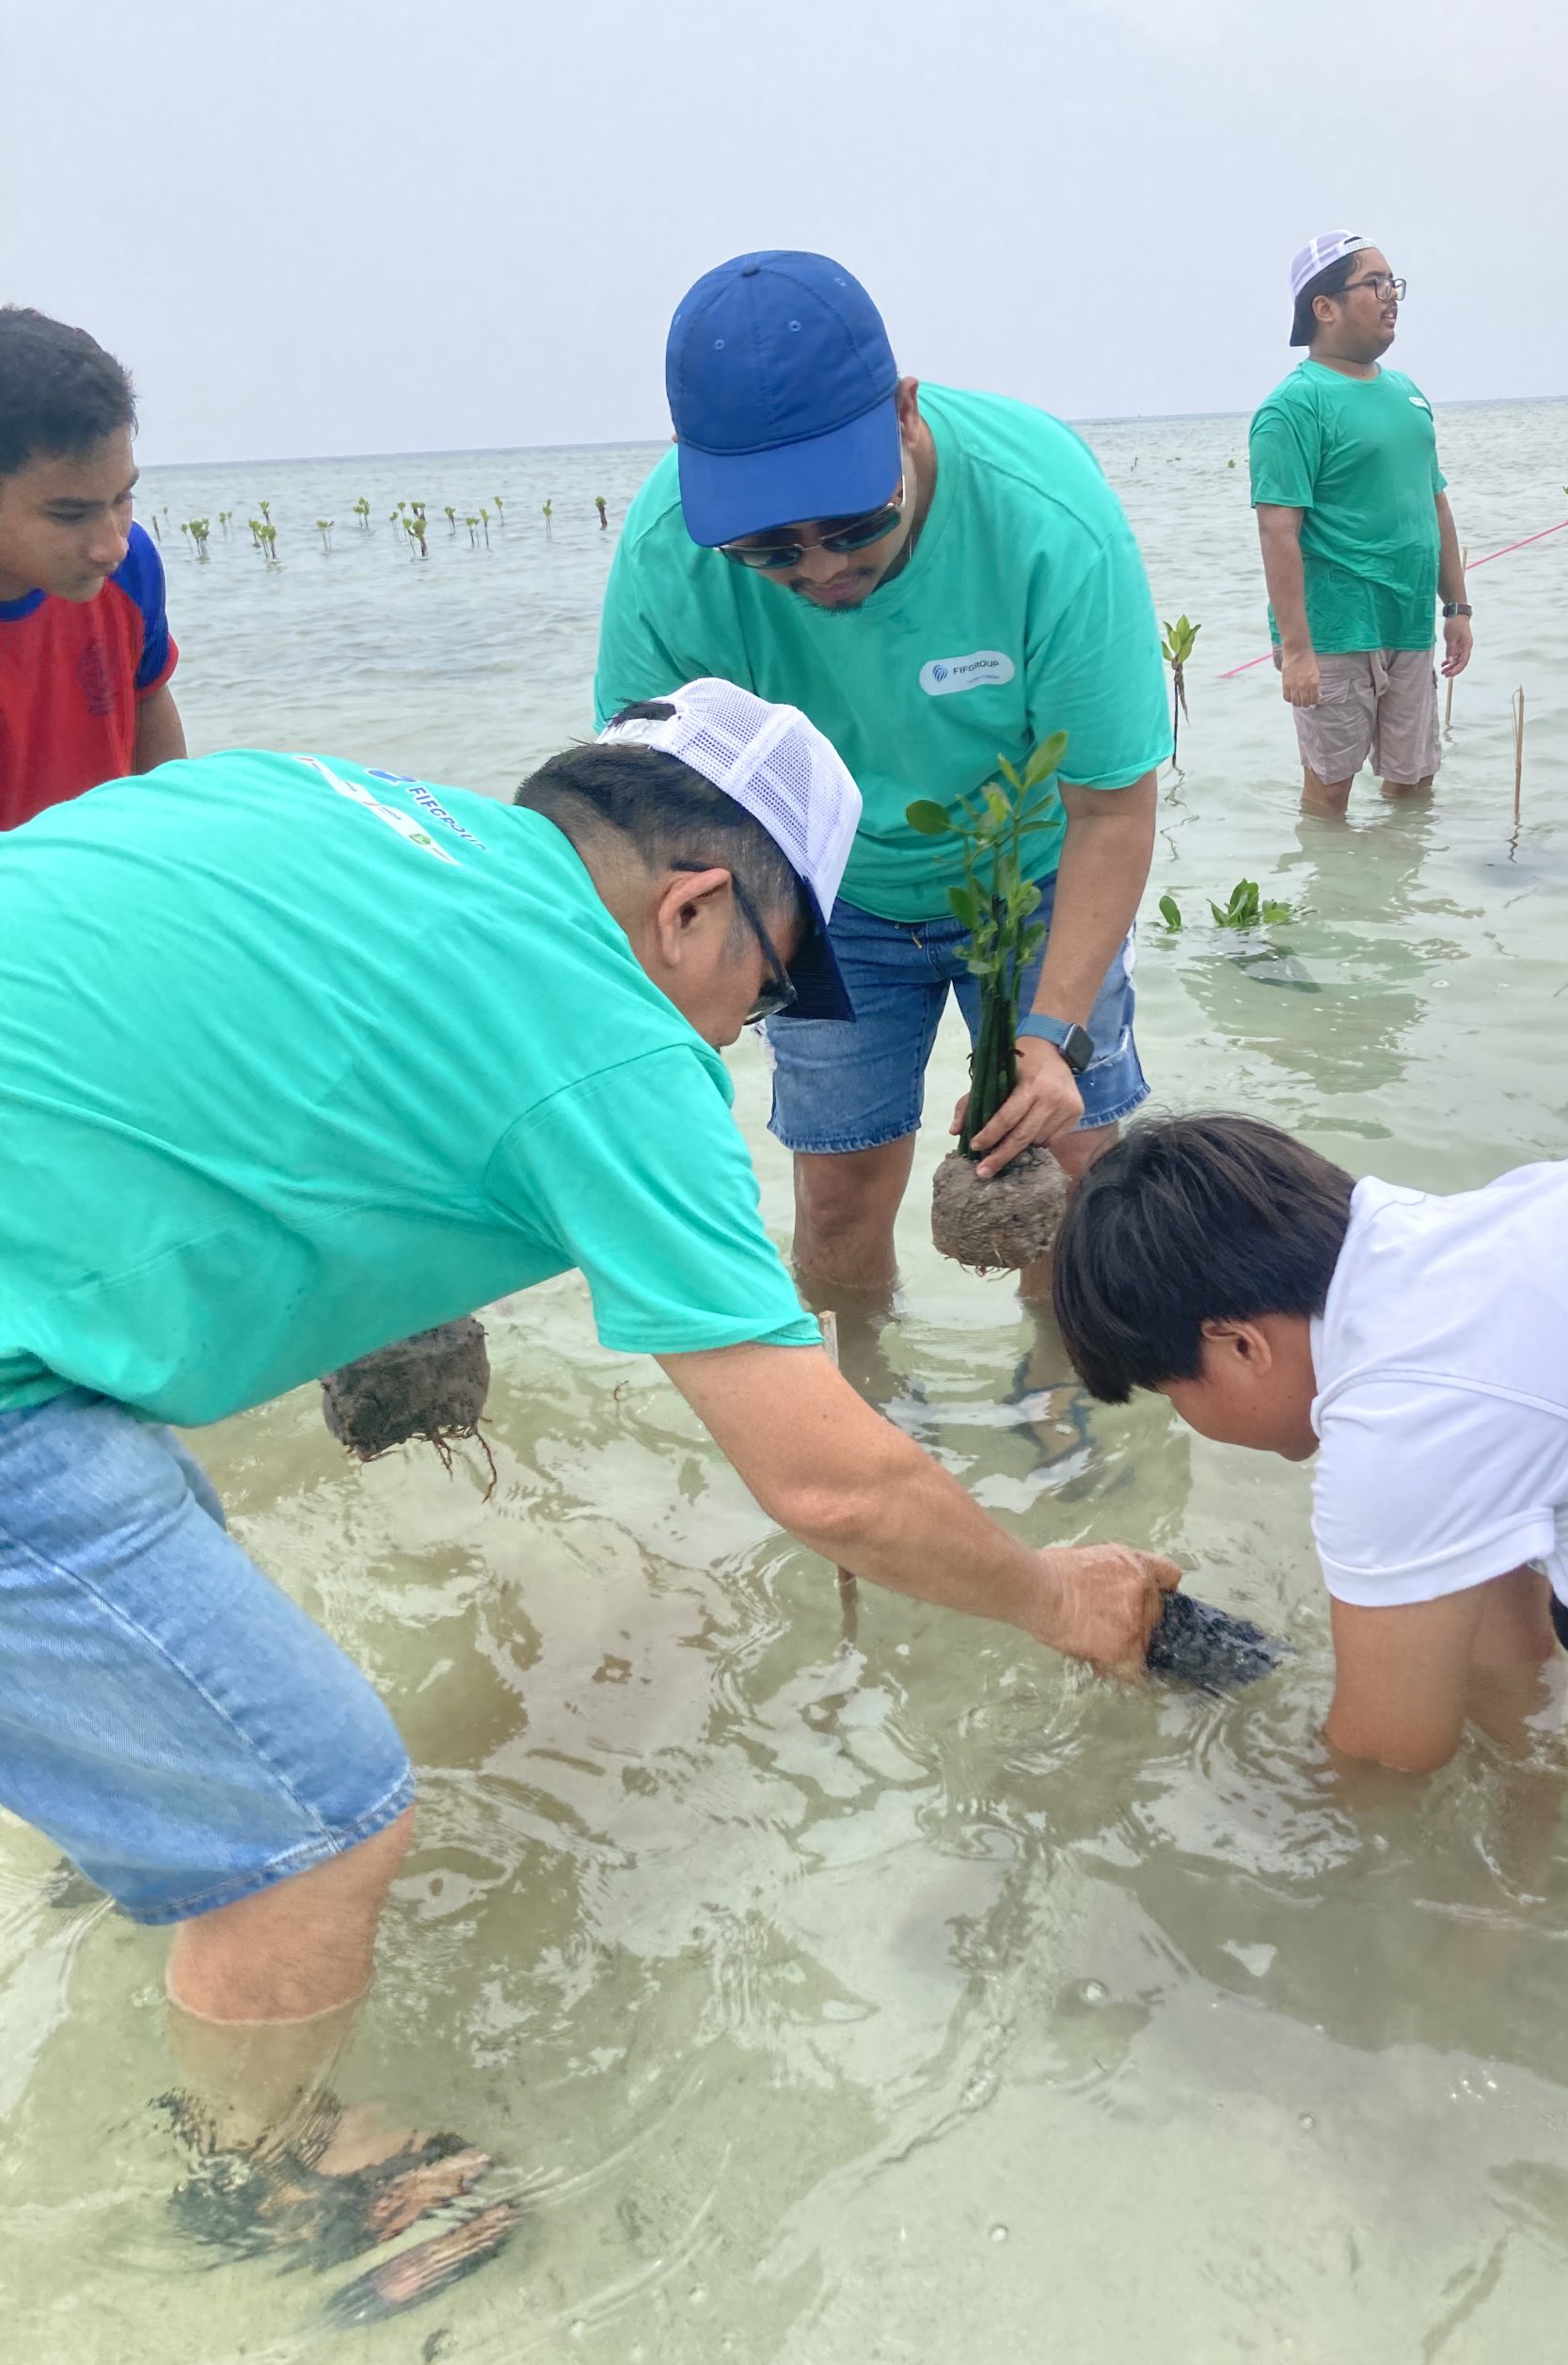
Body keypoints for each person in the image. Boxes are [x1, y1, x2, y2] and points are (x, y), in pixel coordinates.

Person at [0, 680, 1173, 2316]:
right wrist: (1058, 1597)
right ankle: (249, 2180)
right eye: (763, 990)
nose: (736, 1036)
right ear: (695, 906)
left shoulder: (310, 801)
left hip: (37, 1303)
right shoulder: (612, 1036)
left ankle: (122, 1809)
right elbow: (826, 1485)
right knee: (322, 1816)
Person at [1051, 1096, 1568, 2042]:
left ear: (1238, 1344)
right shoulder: (1433, 1249)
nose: (1185, 1419)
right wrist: (1521, 1857)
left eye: (1172, 1393)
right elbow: (1511, 1655)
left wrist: (1259, 1808)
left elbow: (1388, 1749)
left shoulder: (1401, 1417)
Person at [594, 251, 1171, 1309]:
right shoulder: (667, 555)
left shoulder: (1049, 518)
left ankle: (1066, 1402)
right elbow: (644, 832)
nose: (820, 569)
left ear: (904, 416)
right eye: (769, 548)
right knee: (841, 1186)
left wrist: (1050, 1038)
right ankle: (867, 1390)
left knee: (1071, 1165)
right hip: (817, 884)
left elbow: (1111, 806)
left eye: (856, 525)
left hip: (1031, 868)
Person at [1249, 234, 1471, 818]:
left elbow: (1435, 505)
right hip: (1335, 633)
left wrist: (1458, 609)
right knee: (1329, 796)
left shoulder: (1409, 395)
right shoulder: (1293, 406)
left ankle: (1392, 906)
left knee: (1414, 785)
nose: (1391, 296)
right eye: (1374, 284)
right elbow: (1278, 531)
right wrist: (1297, 652)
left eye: (1394, 284)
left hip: (1409, 624)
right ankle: (1332, 905)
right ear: (1324, 307)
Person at [0, 306, 184, 831]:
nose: (111, 546)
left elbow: (148, 699)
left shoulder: (130, 568)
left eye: (122, 496)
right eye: (69, 513)